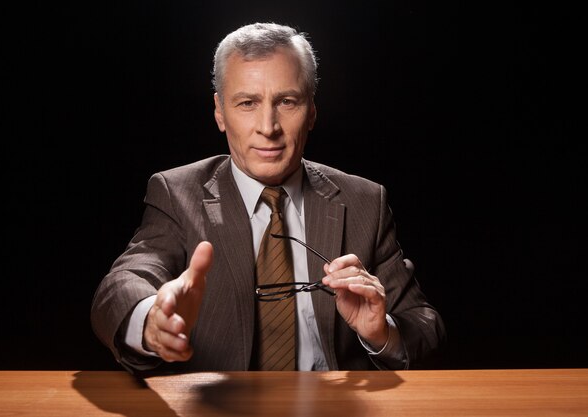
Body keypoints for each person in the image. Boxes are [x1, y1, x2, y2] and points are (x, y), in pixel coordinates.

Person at [91, 22, 446, 373]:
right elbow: (122, 283)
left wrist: (382, 333)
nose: (268, 126)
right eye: (247, 103)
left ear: (311, 111)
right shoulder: (176, 193)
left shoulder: (365, 200)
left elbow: (424, 324)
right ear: (219, 111)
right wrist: (150, 318)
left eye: (287, 101)